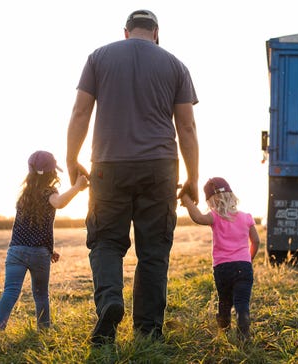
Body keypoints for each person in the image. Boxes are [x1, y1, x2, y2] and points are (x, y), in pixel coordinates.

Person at [66, 9, 200, 345]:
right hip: (160, 167)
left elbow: (80, 112)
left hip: (109, 165)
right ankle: (148, 331)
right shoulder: (176, 65)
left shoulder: (99, 58)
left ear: (126, 32)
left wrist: (71, 159)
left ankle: (110, 301)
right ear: (156, 32)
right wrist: (193, 177)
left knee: (106, 241)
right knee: (154, 250)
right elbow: (186, 126)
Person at [0, 150, 88, 340]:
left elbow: (28, 227)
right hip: (38, 254)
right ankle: (44, 333)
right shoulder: (49, 192)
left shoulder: (24, 195)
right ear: (52, 172)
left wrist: (50, 249)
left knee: (10, 291)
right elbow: (59, 203)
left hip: (16, 250)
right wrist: (77, 187)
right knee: (41, 295)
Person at [180, 177, 260, 340]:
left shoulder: (214, 217)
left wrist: (186, 199)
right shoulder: (246, 217)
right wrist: (248, 259)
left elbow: (198, 218)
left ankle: (223, 330)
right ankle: (242, 318)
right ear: (231, 195)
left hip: (222, 268)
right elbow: (256, 241)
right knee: (242, 301)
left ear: (210, 201)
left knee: (224, 300)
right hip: (244, 267)